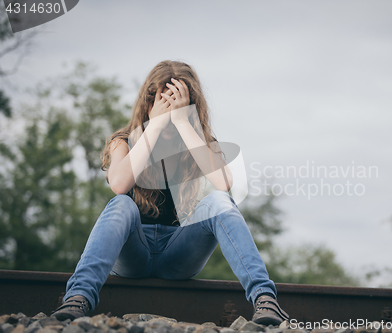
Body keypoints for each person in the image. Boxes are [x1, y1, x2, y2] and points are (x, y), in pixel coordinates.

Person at [50, 60, 289, 326]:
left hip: (178, 255)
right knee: (121, 204)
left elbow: (224, 183)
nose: (168, 111)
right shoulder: (124, 140)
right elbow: (119, 184)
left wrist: (184, 124)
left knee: (220, 201)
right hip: (133, 255)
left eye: (176, 104)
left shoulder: (199, 144)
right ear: (148, 103)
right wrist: (154, 126)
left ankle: (265, 299)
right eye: (161, 102)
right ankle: (78, 297)